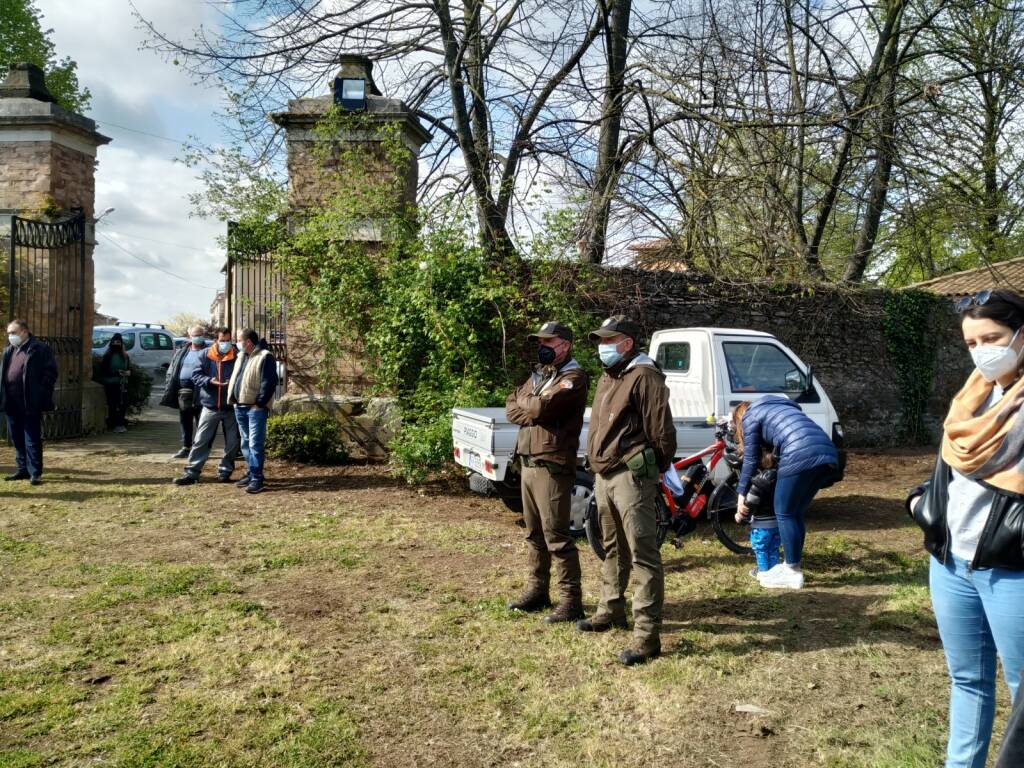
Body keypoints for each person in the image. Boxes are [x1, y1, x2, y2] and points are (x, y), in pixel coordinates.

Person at [907, 288, 1024, 768]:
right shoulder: (973, 397)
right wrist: (922, 501)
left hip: (1013, 569)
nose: (981, 352)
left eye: (991, 338)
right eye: (972, 343)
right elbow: (952, 469)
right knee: (967, 680)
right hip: (952, 563)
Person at [578, 315, 676, 666]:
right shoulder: (611, 374)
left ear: (628, 343)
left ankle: (647, 636)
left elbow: (661, 429)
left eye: (609, 339)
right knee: (612, 547)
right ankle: (610, 610)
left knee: (642, 553)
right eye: (601, 340)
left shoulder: (644, 375)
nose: (602, 346)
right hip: (603, 475)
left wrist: (653, 468)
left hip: (631, 476)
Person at [505, 321, 589, 623]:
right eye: (540, 341)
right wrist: (532, 405)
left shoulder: (573, 378)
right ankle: (538, 590)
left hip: (552, 466)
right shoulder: (541, 375)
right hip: (528, 463)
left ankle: (571, 601)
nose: (542, 346)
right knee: (533, 534)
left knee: (557, 536)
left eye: (548, 341)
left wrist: (531, 406)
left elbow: (539, 410)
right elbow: (511, 406)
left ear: (564, 345)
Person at [734, 397, 838, 589]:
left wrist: (741, 493)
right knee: (796, 511)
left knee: (784, 512)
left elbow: (750, 459)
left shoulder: (750, 416)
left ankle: (791, 571)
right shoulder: (781, 407)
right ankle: (793, 565)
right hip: (828, 454)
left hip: (800, 453)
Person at [173, 327, 240, 485]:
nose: (225, 343)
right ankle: (192, 472)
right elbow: (196, 375)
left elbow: (242, 375)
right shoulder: (206, 354)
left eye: (227, 340)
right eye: (222, 340)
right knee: (201, 440)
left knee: (232, 443)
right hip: (210, 406)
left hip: (231, 406)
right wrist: (210, 381)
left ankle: (225, 471)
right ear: (216, 340)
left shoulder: (237, 356)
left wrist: (234, 383)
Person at [0, 319, 58, 485]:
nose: (11, 336)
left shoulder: (39, 348)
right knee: (17, 438)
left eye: (14, 333)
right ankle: (22, 469)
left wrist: (40, 392)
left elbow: (51, 372)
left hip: (29, 401)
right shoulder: (9, 350)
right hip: (11, 401)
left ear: (24, 331)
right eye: (9, 333)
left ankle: (35, 472)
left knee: (31, 438)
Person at [227, 328, 278, 494]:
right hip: (239, 405)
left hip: (255, 408)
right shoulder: (241, 356)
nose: (236, 342)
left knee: (255, 444)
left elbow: (269, 382)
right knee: (246, 443)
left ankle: (257, 478)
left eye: (239, 339)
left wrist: (260, 403)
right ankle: (251, 473)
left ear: (248, 342)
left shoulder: (265, 356)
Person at [161, 325, 208, 458]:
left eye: (200, 334)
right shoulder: (182, 351)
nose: (198, 337)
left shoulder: (208, 351)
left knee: (202, 421)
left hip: (202, 390)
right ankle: (186, 447)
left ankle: (201, 448)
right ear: (189, 336)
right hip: (184, 391)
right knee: (185, 420)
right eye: (195, 335)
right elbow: (173, 368)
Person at [735, 453, 781, 580]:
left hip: (761, 525)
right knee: (773, 549)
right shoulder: (780, 478)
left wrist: (741, 515)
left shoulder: (758, 483)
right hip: (776, 524)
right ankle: (775, 571)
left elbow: (750, 503)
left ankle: (763, 572)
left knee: (761, 549)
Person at [99, 332, 130, 433]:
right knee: (113, 404)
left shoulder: (125, 356)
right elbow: (104, 371)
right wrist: (117, 372)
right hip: (111, 384)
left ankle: (120, 423)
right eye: (115, 342)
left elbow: (128, 368)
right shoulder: (107, 356)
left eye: (119, 342)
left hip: (123, 383)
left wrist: (128, 372)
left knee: (123, 404)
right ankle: (113, 424)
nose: (117, 344)